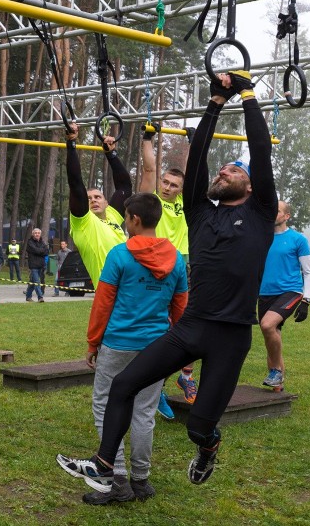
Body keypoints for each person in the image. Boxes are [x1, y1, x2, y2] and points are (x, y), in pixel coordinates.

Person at [57, 71, 278, 492]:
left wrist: (247, 95)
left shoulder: (262, 212)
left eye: (234, 169)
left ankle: (208, 446)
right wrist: (214, 102)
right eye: (224, 167)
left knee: (199, 426)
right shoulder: (199, 211)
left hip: (231, 335)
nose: (225, 171)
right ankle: (105, 465)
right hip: (192, 325)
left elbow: (261, 151)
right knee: (123, 384)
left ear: (249, 185)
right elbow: (197, 161)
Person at [80, 193, 188, 504]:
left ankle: (117, 479)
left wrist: (92, 341)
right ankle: (141, 481)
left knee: (104, 405)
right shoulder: (177, 259)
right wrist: (180, 349)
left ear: (135, 220)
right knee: (144, 412)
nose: (124, 222)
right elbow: (181, 307)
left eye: (126, 217)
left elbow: (103, 303)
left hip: (118, 345)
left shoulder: (119, 255)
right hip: (158, 347)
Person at [139, 127, 199, 411]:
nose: (167, 187)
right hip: (156, 268)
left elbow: (193, 171)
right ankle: (155, 388)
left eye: (174, 185)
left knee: (189, 325)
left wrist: (192, 142)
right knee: (160, 330)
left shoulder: (186, 205)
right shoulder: (153, 203)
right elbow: (150, 167)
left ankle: (185, 375)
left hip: (182, 268)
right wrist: (148, 139)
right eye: (165, 182)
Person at [65, 129, 131, 289]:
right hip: (112, 291)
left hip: (132, 286)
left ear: (106, 202)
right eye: (88, 199)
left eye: (97, 197)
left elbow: (124, 187)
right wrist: (71, 143)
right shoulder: (83, 222)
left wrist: (112, 154)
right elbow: (75, 183)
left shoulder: (113, 216)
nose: (93, 200)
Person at [258, 201, 310, 390]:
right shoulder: (262, 237)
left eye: (277, 211)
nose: (273, 213)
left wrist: (306, 299)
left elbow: (308, 272)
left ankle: (276, 372)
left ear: (286, 216)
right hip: (264, 293)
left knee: (267, 325)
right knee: (271, 336)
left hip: (290, 291)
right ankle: (277, 387)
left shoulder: (298, 239)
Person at [26, 228, 48, 302]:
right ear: (33, 234)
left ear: (40, 234)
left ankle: (28, 296)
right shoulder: (30, 242)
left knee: (32, 282)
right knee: (37, 282)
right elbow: (35, 250)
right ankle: (40, 297)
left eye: (38, 233)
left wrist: (40, 251)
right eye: (35, 233)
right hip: (33, 266)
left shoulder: (43, 242)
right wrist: (41, 251)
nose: (37, 234)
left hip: (41, 265)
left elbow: (46, 251)